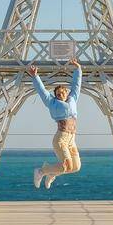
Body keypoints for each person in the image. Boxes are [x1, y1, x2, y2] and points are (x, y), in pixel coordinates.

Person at [28, 57, 82, 189]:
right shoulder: (52, 102)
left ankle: (51, 173)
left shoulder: (73, 98)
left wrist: (78, 69)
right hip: (61, 139)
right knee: (66, 166)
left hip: (71, 140)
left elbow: (76, 85)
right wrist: (35, 76)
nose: (60, 94)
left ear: (66, 92)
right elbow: (42, 91)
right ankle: (41, 171)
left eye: (62, 92)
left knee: (76, 167)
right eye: (57, 93)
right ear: (55, 95)